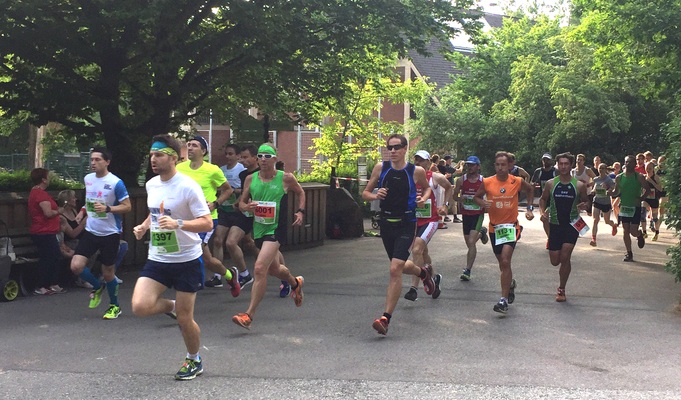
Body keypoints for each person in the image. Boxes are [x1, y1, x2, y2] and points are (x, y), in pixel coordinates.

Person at [131, 134, 213, 380]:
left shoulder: (188, 186)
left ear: (174, 158)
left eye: (159, 155)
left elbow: (206, 222)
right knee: (140, 306)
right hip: (158, 257)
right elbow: (156, 212)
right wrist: (145, 226)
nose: (153, 160)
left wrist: (178, 223)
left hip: (187, 260)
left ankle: (194, 359)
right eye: (151, 155)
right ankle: (174, 306)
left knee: (185, 321)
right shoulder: (151, 184)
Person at [361, 134, 435, 335]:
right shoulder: (380, 168)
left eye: (396, 147)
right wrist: (376, 195)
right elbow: (365, 194)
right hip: (386, 223)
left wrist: (422, 200)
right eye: (389, 148)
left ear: (404, 150)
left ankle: (385, 318)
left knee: (394, 269)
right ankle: (423, 272)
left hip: (406, 223)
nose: (392, 151)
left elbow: (428, 190)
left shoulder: (415, 171)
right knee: (400, 266)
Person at [231, 143, 307, 330]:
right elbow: (240, 202)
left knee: (259, 268)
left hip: (276, 229)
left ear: (274, 159)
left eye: (267, 156)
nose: (263, 159)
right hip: (259, 228)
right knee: (274, 270)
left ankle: (249, 315)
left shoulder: (286, 178)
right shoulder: (250, 179)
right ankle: (294, 282)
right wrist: (245, 207)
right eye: (260, 156)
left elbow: (301, 192)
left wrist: (300, 211)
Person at [69, 147, 131, 319]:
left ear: (107, 162)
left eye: (97, 160)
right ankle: (97, 287)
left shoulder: (116, 182)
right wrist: (82, 210)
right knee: (76, 266)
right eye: (92, 160)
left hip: (110, 233)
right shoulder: (88, 179)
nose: (93, 163)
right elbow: (90, 199)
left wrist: (108, 208)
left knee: (108, 273)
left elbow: (127, 206)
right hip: (91, 230)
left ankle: (114, 306)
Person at [176, 136, 240, 295]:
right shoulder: (179, 168)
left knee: (195, 249)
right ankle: (230, 275)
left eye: (194, 145)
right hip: (186, 218)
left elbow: (228, 190)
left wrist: (215, 204)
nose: (190, 148)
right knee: (207, 259)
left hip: (207, 218)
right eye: (188, 145)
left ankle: (193, 283)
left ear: (203, 151)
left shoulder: (213, 170)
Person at [474, 151, 535, 314]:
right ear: (495, 166)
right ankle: (511, 284)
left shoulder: (517, 181)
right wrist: (482, 202)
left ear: (510, 166)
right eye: (498, 165)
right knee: (502, 264)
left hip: (510, 228)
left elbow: (531, 190)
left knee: (506, 261)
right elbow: (476, 197)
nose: (500, 168)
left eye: (503, 165)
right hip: (495, 229)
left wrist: (529, 209)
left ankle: (503, 300)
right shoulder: (487, 182)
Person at [539, 153, 588, 302]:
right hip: (555, 224)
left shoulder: (579, 185)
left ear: (571, 165)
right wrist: (542, 213)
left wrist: (583, 205)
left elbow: (586, 201)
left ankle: (562, 289)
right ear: (557, 165)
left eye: (566, 164)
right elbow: (543, 200)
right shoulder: (551, 183)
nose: (563, 166)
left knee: (565, 257)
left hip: (571, 225)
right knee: (555, 261)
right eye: (561, 164)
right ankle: (553, 246)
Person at [403, 150, 449, 301]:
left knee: (416, 250)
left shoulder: (434, 177)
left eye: (421, 160)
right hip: (414, 221)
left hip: (430, 220)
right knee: (422, 252)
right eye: (415, 160)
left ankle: (413, 289)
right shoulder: (410, 177)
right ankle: (434, 279)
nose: (417, 163)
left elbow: (449, 187)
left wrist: (445, 205)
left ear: (428, 163)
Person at [212, 143, 246, 285]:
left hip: (237, 211)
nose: (228, 157)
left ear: (238, 156)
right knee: (218, 240)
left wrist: (234, 191)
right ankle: (218, 276)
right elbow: (218, 187)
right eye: (226, 154)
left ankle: (245, 272)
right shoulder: (221, 170)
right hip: (224, 209)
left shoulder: (242, 170)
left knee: (247, 242)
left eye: (231, 154)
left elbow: (246, 189)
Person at [27, 168, 65, 295]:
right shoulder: (40, 194)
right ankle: (42, 285)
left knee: (52, 257)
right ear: (43, 179)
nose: (48, 179)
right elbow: (48, 213)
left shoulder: (36, 192)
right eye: (47, 177)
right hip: (43, 231)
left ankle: (51, 283)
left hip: (46, 231)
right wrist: (58, 211)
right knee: (49, 258)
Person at [452, 155, 489, 282]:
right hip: (466, 214)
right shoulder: (461, 180)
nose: (469, 167)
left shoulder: (484, 181)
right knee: (469, 243)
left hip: (478, 214)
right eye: (468, 165)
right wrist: (459, 198)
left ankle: (467, 270)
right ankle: (482, 232)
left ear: (478, 167)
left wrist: (485, 203)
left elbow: (489, 196)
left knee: (471, 242)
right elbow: (454, 196)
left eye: (472, 165)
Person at [612, 155, 650, 262]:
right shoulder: (619, 177)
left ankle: (639, 235)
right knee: (625, 231)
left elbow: (647, 189)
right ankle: (629, 253)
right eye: (626, 162)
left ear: (634, 164)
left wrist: (641, 198)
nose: (627, 164)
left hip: (635, 207)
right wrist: (610, 193)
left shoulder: (639, 177)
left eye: (630, 162)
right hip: (624, 207)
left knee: (633, 231)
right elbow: (616, 192)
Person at [589, 163, 618, 246]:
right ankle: (593, 239)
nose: (601, 170)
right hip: (597, 201)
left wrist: (607, 188)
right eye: (599, 168)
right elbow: (594, 187)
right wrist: (593, 191)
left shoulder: (608, 179)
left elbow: (613, 188)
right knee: (595, 220)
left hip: (606, 202)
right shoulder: (595, 179)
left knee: (607, 221)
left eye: (602, 168)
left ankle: (614, 225)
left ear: (606, 170)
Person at [530, 153, 557, 239]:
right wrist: (533, 185)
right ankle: (550, 238)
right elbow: (532, 182)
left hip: (555, 199)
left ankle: (552, 238)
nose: (545, 162)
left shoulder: (555, 171)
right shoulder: (539, 171)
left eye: (547, 160)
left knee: (553, 220)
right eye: (543, 160)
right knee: (544, 219)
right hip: (544, 199)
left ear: (551, 161)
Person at [643, 161, 663, 241]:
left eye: (650, 168)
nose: (648, 170)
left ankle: (657, 232)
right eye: (647, 168)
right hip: (646, 198)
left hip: (654, 199)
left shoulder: (656, 177)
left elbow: (660, 189)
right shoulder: (643, 177)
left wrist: (651, 182)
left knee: (655, 218)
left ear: (653, 169)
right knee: (642, 212)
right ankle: (644, 232)